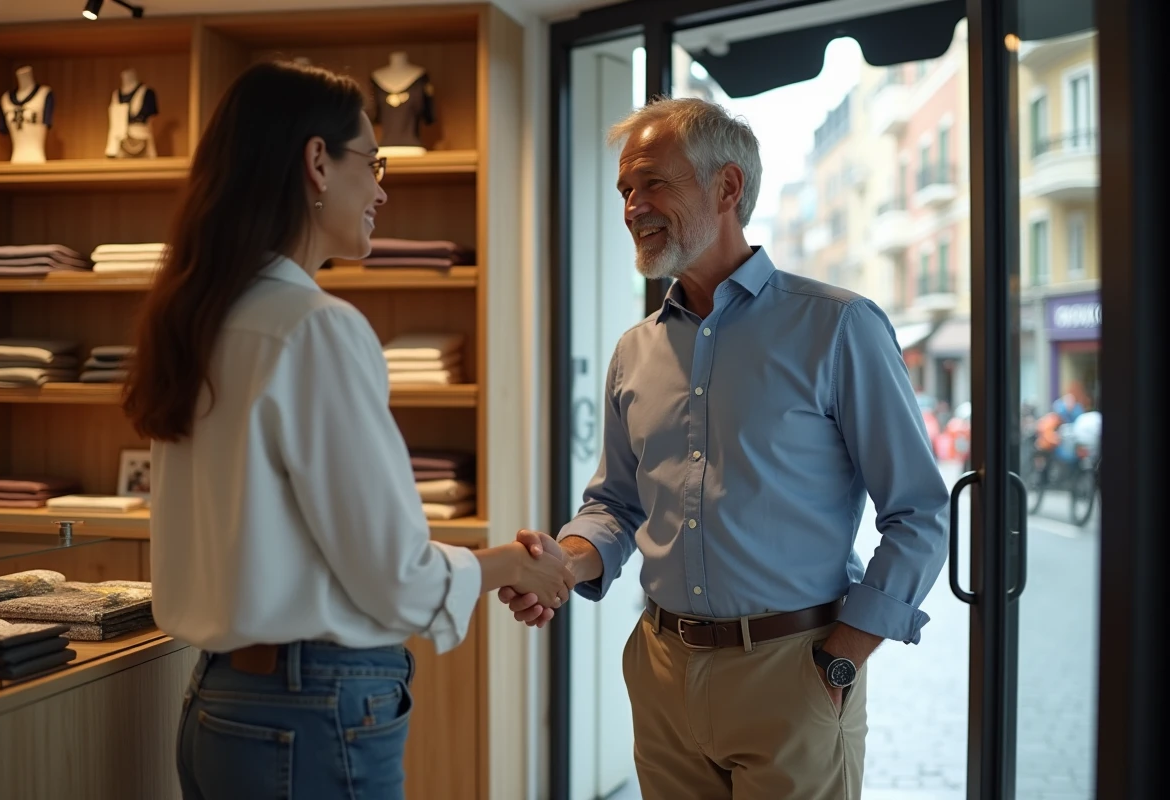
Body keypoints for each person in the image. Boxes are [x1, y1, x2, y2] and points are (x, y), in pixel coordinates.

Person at [121, 61, 574, 800]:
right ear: (318, 162)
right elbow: (395, 577)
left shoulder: (199, 321)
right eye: (374, 161)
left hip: (220, 704)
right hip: (310, 708)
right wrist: (511, 565)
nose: (383, 188)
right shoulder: (314, 328)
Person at [500, 97, 950, 799]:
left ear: (728, 188)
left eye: (652, 183)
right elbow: (615, 504)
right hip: (660, 670)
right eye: (624, 189)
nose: (633, 206)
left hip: (794, 671)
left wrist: (841, 659)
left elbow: (919, 513)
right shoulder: (635, 350)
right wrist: (568, 559)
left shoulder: (838, 327)